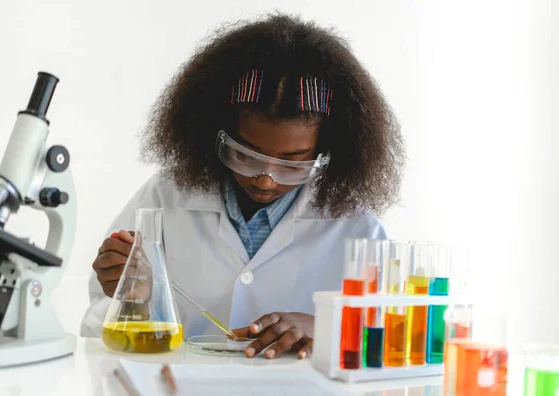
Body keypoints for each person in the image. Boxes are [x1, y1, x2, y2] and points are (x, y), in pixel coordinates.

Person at [81, 13, 405, 360]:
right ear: (216, 131)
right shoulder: (165, 196)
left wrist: (328, 327)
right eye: (247, 155)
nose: (266, 180)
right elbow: (98, 331)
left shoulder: (359, 230)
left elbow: (396, 343)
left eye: (293, 162)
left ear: (328, 152)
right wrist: (133, 299)